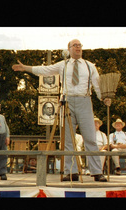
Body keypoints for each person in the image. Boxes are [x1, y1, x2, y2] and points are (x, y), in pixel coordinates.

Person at [12, 39, 110, 182]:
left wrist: (103, 98)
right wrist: (26, 68)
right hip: (67, 100)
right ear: (68, 49)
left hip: (84, 100)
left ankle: (96, 172)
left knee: (90, 137)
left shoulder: (90, 66)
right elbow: (45, 70)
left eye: (80, 46)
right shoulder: (63, 64)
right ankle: (71, 171)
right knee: (68, 139)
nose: (78, 48)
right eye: (75, 46)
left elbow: (97, 84)